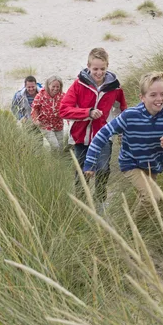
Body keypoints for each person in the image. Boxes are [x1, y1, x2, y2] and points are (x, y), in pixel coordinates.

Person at [83, 71, 163, 221]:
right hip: (130, 163)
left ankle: (126, 228)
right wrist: (90, 162)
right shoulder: (130, 115)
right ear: (142, 97)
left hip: (153, 165)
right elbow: (102, 135)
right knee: (152, 198)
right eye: (153, 95)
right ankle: (131, 232)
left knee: (144, 199)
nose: (159, 99)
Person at [59, 47, 127, 207]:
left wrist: (121, 131)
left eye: (102, 69)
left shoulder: (115, 87)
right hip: (81, 137)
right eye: (95, 69)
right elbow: (64, 110)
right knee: (81, 174)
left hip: (104, 136)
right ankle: (81, 205)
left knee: (103, 169)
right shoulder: (78, 85)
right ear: (88, 67)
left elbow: (121, 109)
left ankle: (100, 202)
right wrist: (87, 113)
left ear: (107, 66)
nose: (98, 72)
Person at [31, 75, 65, 150]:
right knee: (55, 146)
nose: (55, 89)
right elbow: (34, 109)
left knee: (61, 147)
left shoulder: (62, 95)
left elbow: (68, 108)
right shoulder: (41, 95)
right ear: (48, 85)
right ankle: (53, 160)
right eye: (53, 86)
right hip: (45, 124)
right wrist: (36, 120)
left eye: (57, 86)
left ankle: (56, 161)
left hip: (58, 124)